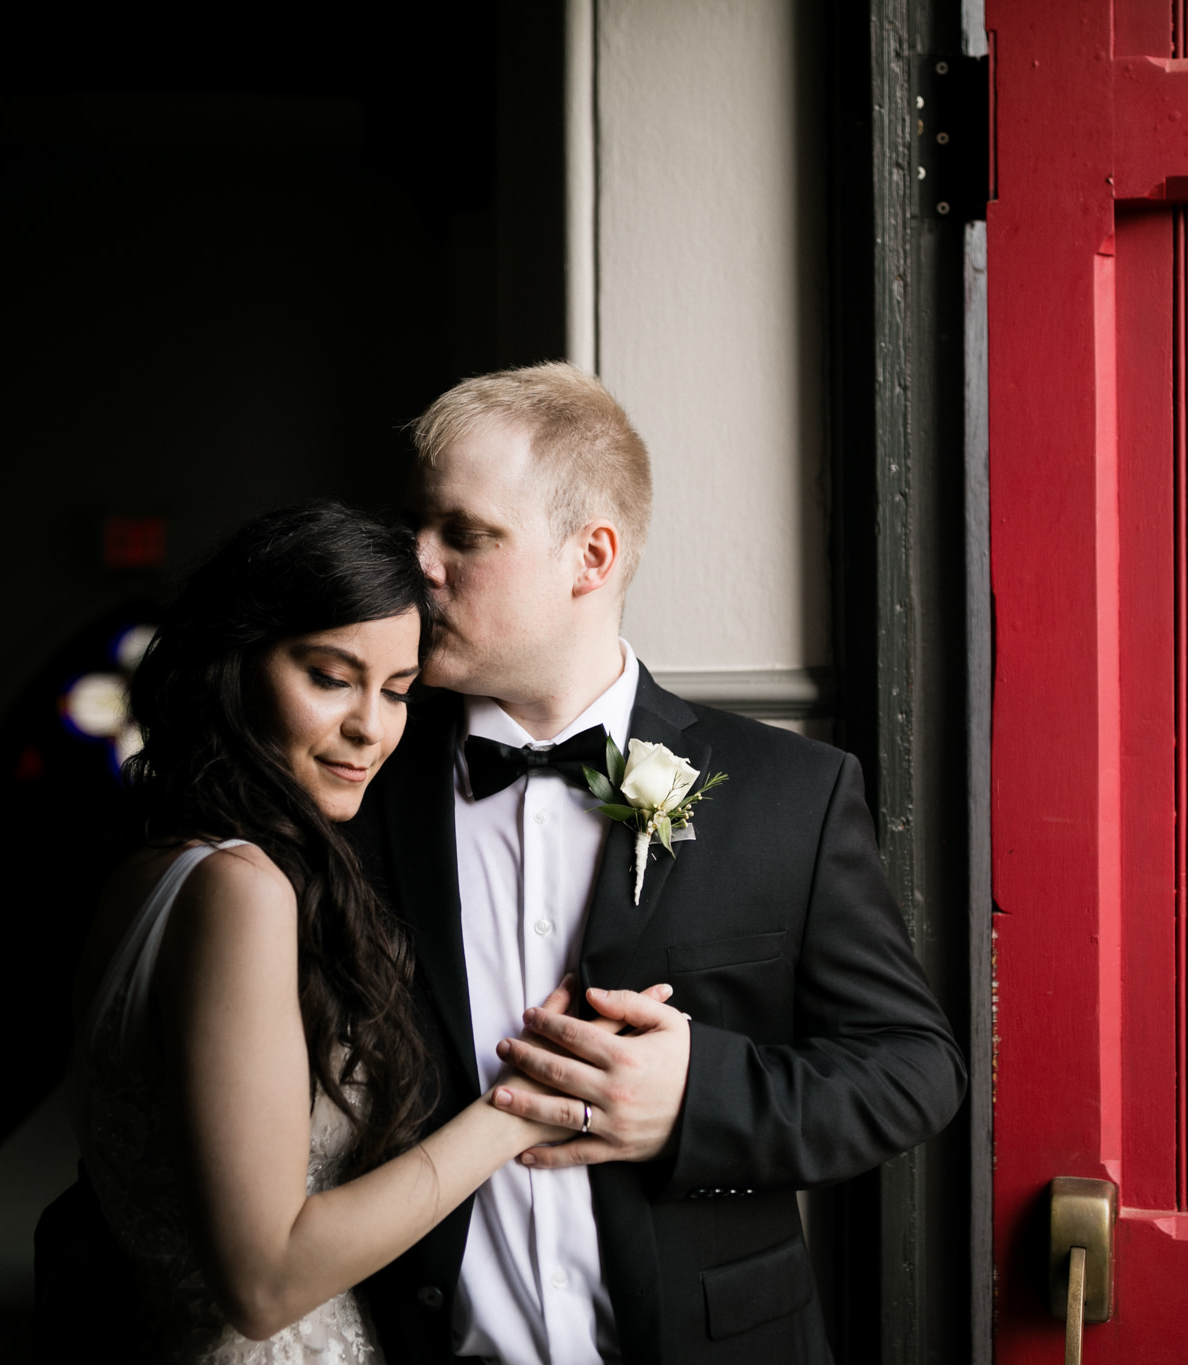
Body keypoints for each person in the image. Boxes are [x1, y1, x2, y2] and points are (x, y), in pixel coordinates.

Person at [356, 364, 966, 1364]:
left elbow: (912, 1070)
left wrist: (697, 1101)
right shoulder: (361, 785)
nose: (414, 565)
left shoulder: (788, 794)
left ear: (589, 557)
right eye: (413, 528)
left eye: (463, 534)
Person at [58, 502, 662, 1363]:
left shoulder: (155, 864)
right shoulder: (239, 889)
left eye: (397, 690)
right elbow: (262, 1282)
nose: (369, 729)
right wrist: (514, 1113)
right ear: (235, 664)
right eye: (330, 676)